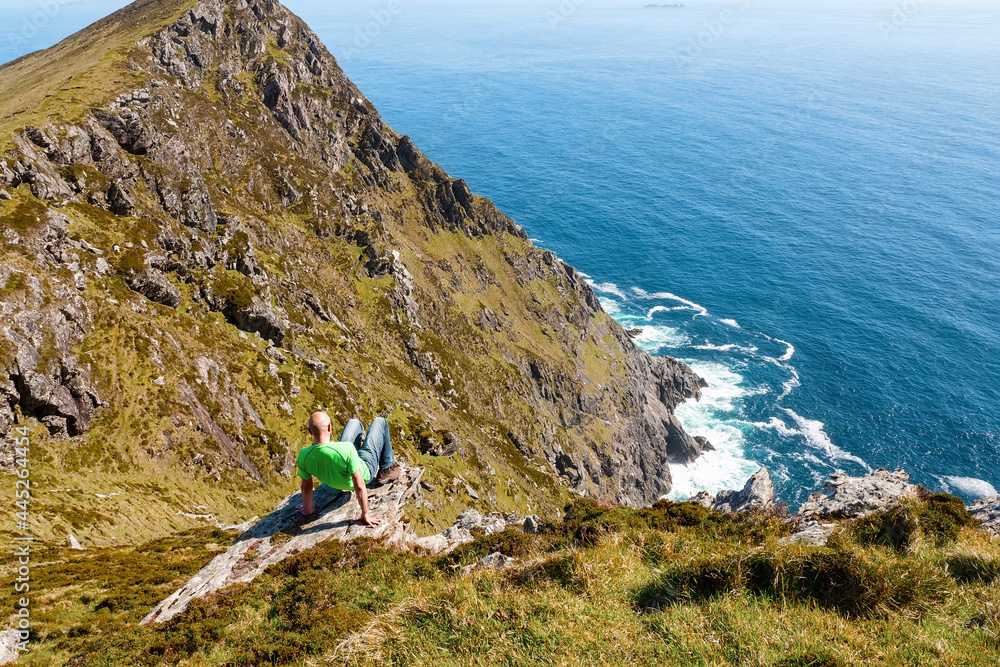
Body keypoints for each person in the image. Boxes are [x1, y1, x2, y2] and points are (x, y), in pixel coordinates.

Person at [296, 411, 401, 526]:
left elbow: (306, 487)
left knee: (354, 422)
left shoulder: (303, 455)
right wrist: (365, 513)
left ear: (310, 431)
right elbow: (359, 484)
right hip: (364, 469)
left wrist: (308, 510)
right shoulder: (346, 448)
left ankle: (383, 465)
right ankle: (387, 468)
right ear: (330, 427)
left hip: (336, 481)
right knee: (380, 421)